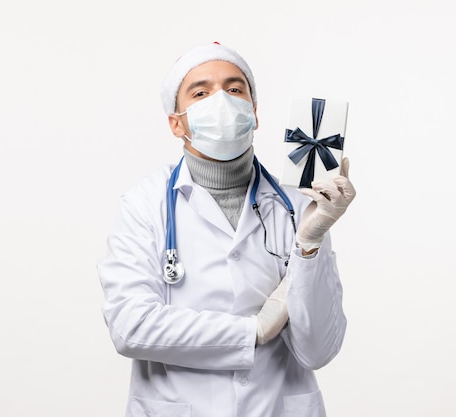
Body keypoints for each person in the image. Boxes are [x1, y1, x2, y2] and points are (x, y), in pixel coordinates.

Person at [98, 42, 356, 417]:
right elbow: (131, 326)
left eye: (234, 89)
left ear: (253, 113)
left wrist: (310, 242)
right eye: (201, 92)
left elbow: (318, 350)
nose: (220, 101)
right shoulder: (144, 204)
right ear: (177, 123)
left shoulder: (300, 204)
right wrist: (254, 331)